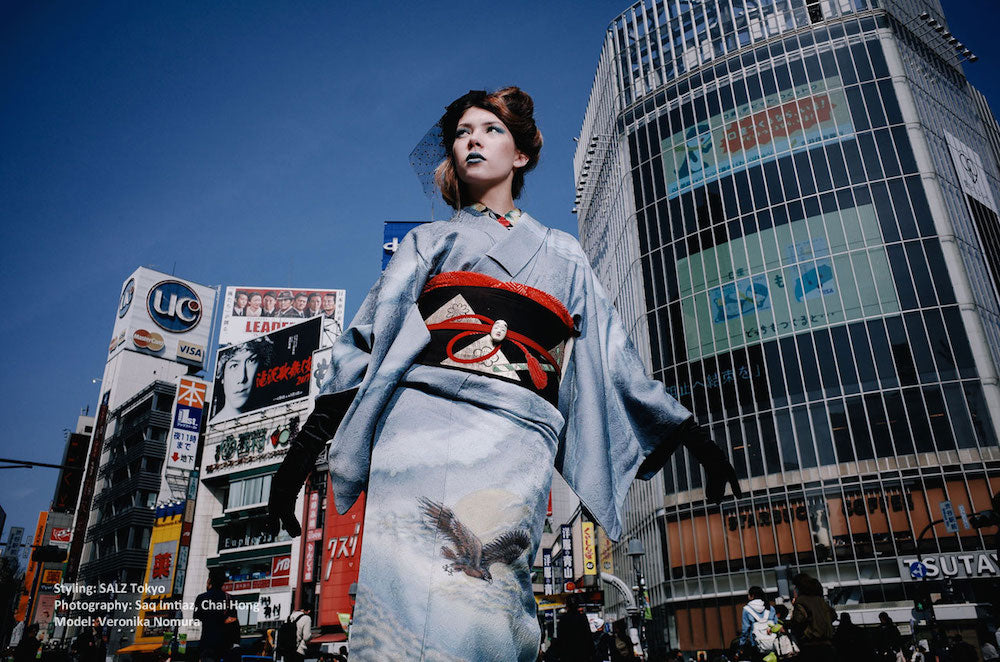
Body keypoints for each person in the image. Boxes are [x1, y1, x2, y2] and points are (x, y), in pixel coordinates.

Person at [267, 86, 741, 661]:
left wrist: (695, 436)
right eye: (463, 131)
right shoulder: (427, 242)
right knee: (404, 577)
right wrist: (299, 458)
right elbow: (362, 348)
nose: (473, 139)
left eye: (490, 129)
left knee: (490, 591)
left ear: (520, 155)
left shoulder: (563, 252)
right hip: (417, 425)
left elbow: (614, 356)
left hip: (515, 433)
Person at [211, 337, 272, 421]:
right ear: (222, 376)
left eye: (251, 361)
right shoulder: (214, 425)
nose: (242, 378)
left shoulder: (270, 415)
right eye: (234, 366)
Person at [194, 567, 239, 662]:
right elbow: (233, 620)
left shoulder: (201, 598)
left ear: (209, 580)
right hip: (224, 645)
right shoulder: (230, 598)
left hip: (206, 643)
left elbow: (197, 617)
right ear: (223, 583)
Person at [788, 574, 836, 662]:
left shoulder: (801, 601)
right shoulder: (821, 601)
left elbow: (798, 620)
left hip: (810, 645)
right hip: (827, 645)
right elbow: (833, 615)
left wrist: (787, 624)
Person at [740, 585, 777, 657]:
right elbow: (776, 624)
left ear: (752, 596)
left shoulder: (746, 609)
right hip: (773, 643)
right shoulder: (770, 608)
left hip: (756, 644)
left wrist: (742, 643)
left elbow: (745, 629)